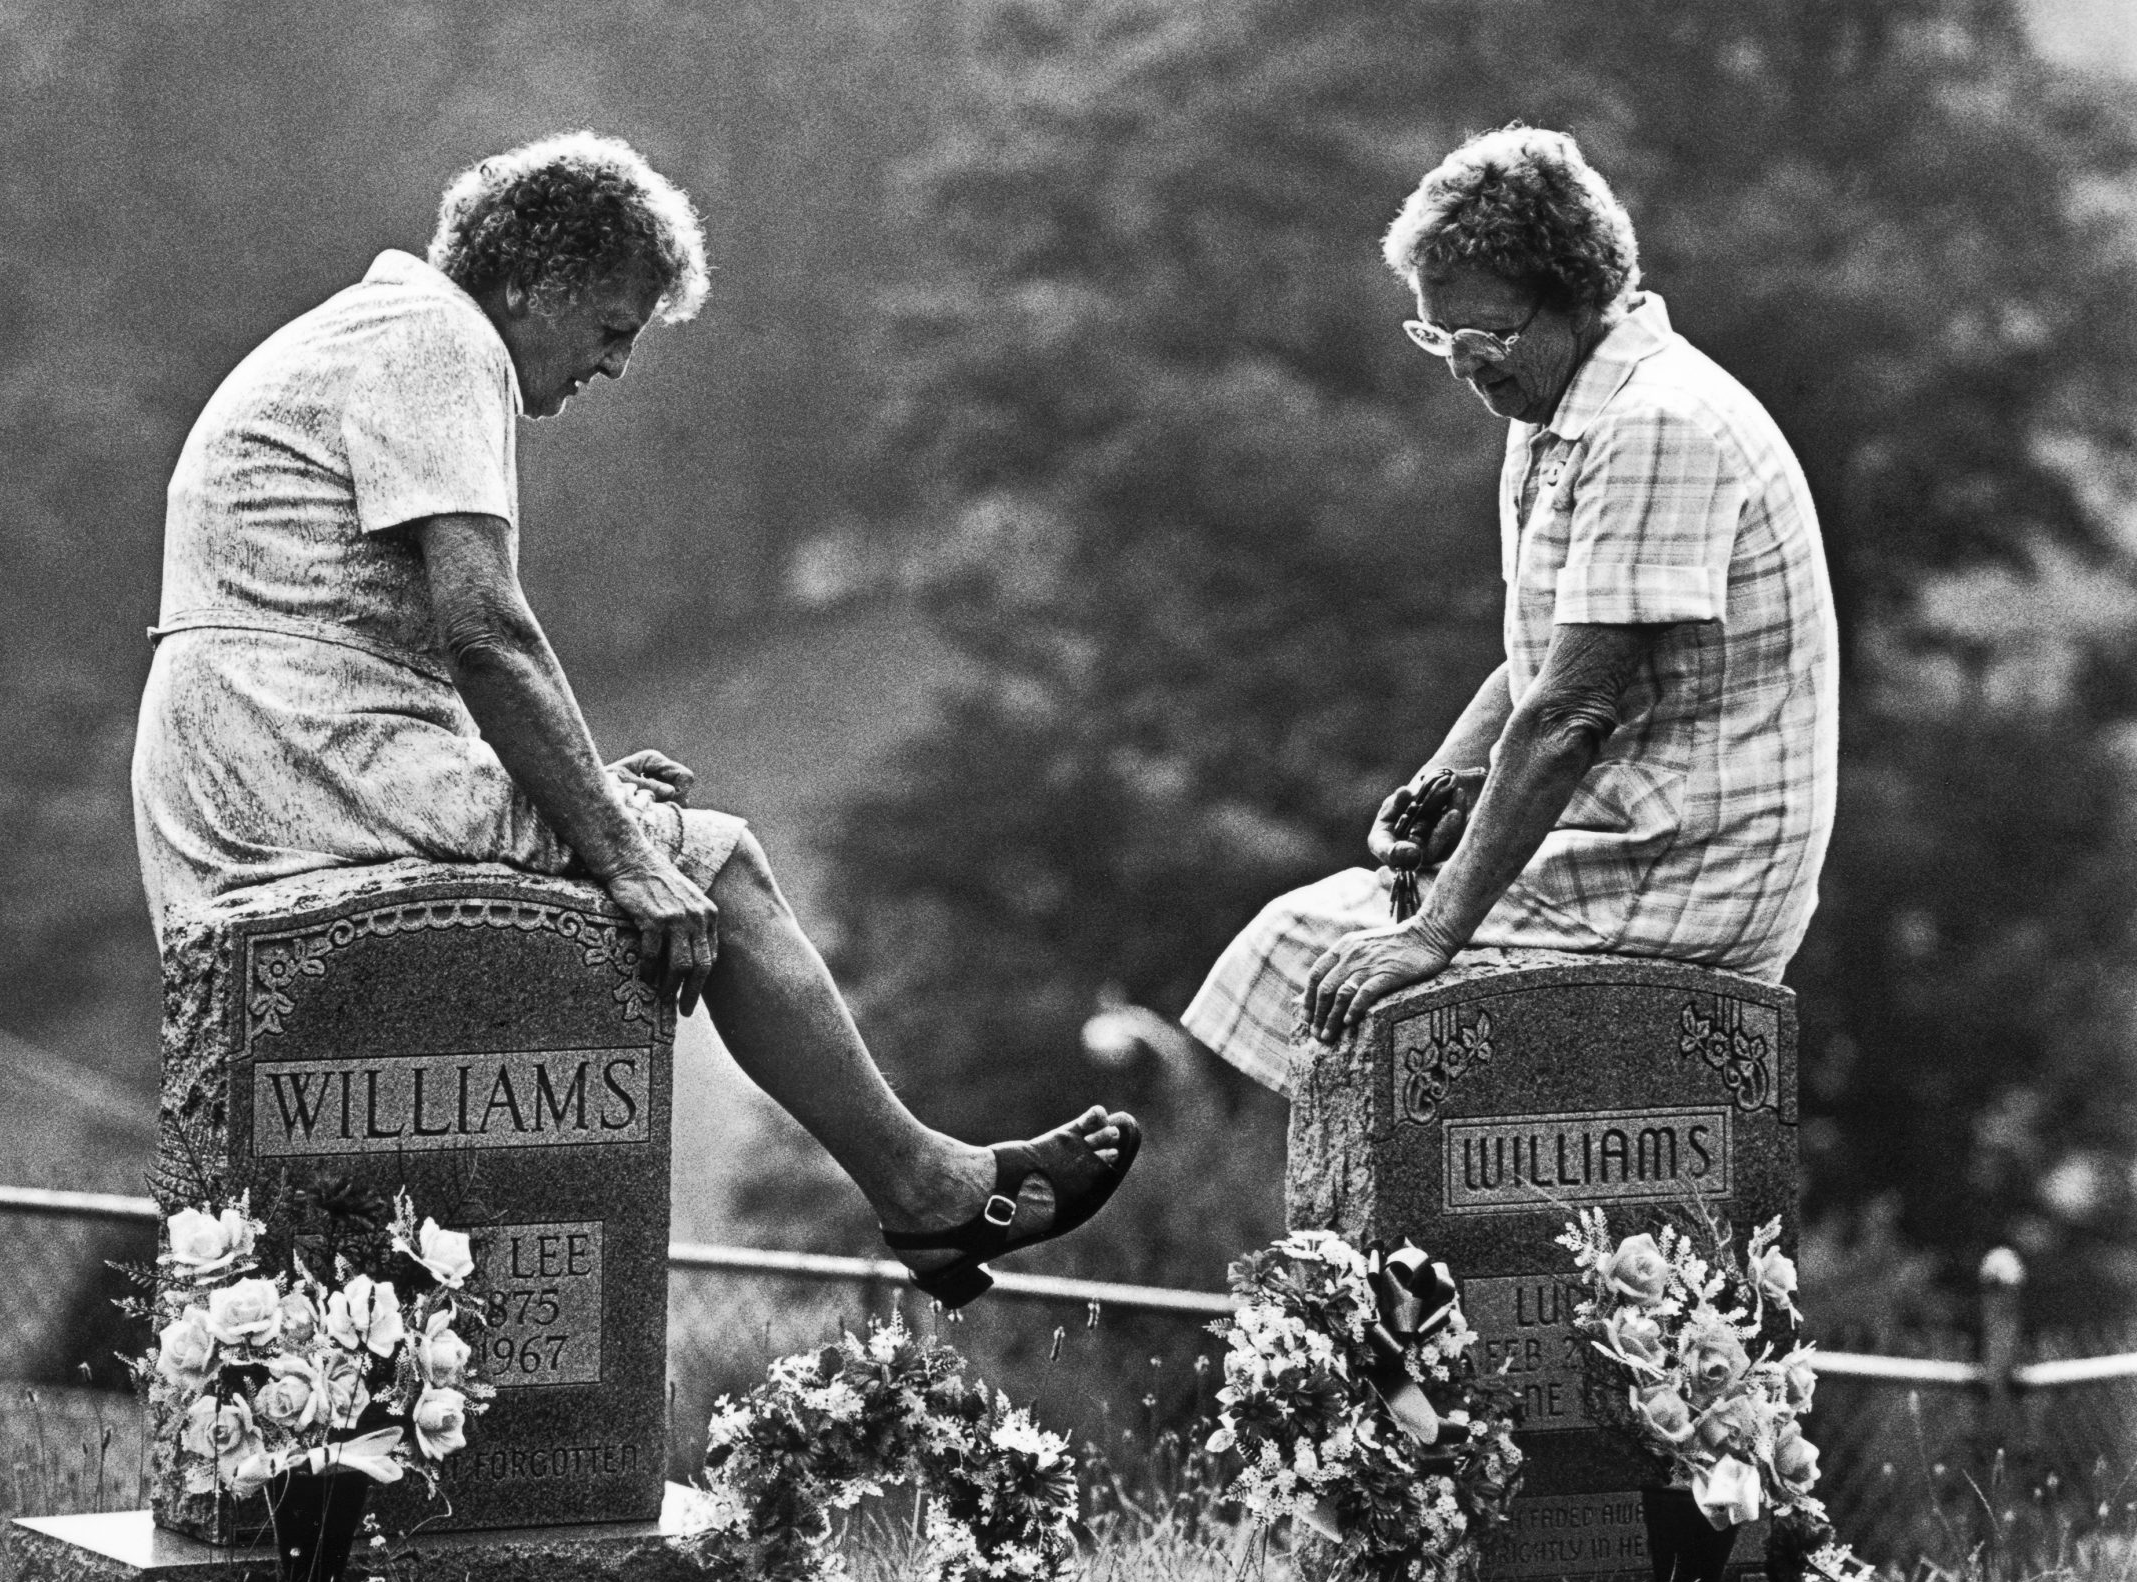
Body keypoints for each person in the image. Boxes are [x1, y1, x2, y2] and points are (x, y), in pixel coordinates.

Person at [131, 132, 1133, 1306]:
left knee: (648, 822)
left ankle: (916, 1184)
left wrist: (591, 791)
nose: (611, 366)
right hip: (298, 750)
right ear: (532, 282)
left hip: (261, 747)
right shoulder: (437, 338)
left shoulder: (373, 331)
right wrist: (616, 846)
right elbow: (485, 631)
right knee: (709, 859)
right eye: (612, 327)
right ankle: (929, 1190)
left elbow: (391, 640)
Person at [1184, 125, 1838, 1095]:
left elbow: (1571, 713)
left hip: (1689, 869)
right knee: (1305, 939)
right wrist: (1446, 777)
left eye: (1482, 338)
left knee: (1306, 951)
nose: (1461, 366)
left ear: (1572, 297)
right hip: (1621, 833)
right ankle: (1378, 1232)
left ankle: (1387, 1242)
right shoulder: (1554, 408)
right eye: (1436, 337)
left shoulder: (1654, 424)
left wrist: (1435, 930)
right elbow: (1538, 660)